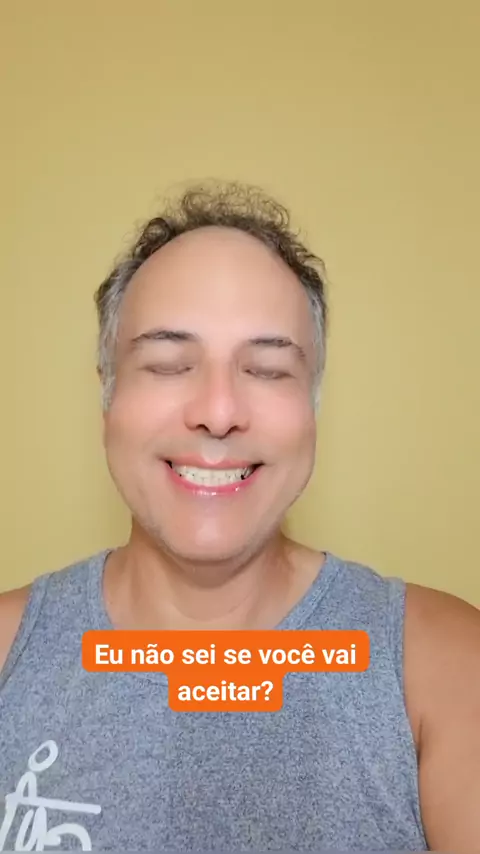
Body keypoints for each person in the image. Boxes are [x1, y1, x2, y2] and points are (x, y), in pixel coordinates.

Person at [0, 182, 479, 853]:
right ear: (107, 395)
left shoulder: (445, 664)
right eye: (169, 364)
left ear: (312, 406)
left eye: (268, 369)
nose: (219, 411)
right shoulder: (9, 652)